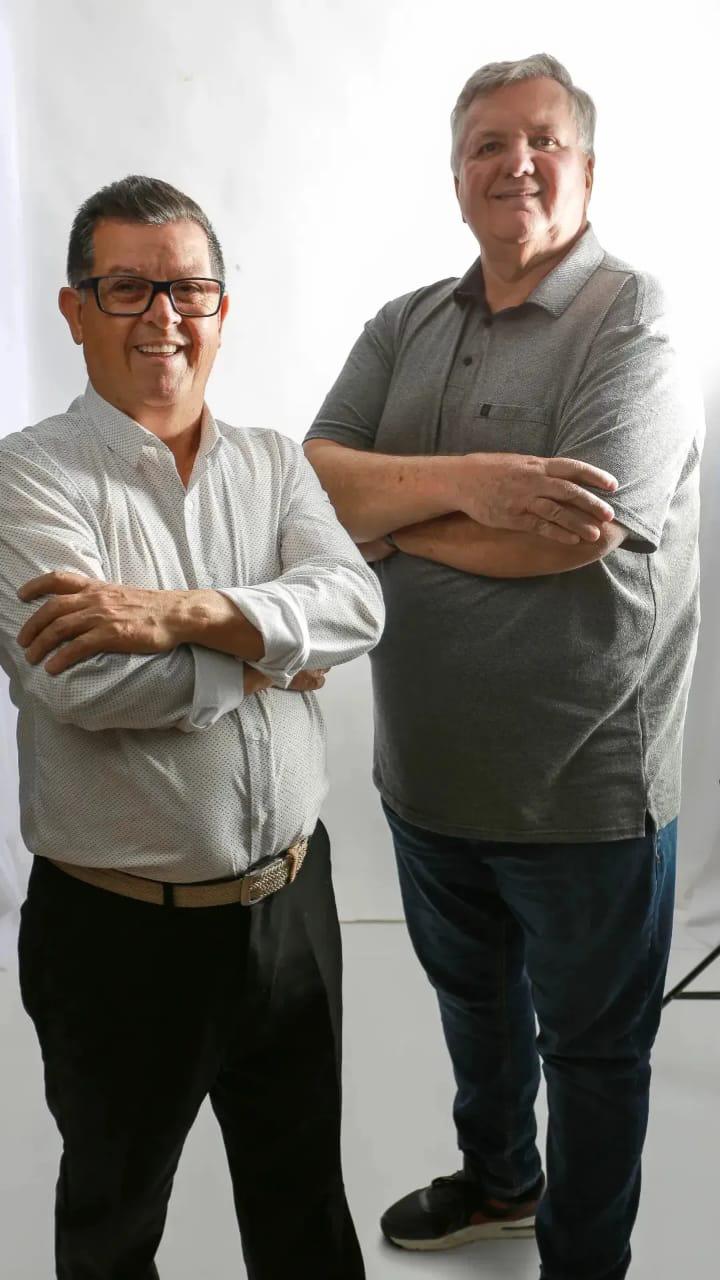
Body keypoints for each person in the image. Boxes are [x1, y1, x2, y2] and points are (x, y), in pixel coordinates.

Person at [304, 53, 703, 1280]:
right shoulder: (404, 323)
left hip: (582, 791)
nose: (515, 162)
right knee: (474, 1007)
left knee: (593, 1052)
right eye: (488, 143)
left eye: (543, 140)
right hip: (425, 776)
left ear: (587, 168)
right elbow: (313, 482)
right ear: (456, 177)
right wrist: (479, 486)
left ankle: (584, 1258)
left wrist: (394, 517)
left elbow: (575, 537)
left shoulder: (633, 318)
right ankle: (500, 1183)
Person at [0, 175, 388, 1280]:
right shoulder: (27, 477)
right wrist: (271, 652)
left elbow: (357, 604)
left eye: (189, 288)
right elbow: (84, 682)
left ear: (222, 308)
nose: (163, 316)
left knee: (304, 1206)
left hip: (293, 905)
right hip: (121, 934)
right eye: (127, 288)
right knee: (115, 1222)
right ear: (75, 310)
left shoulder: (272, 461)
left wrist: (182, 616)